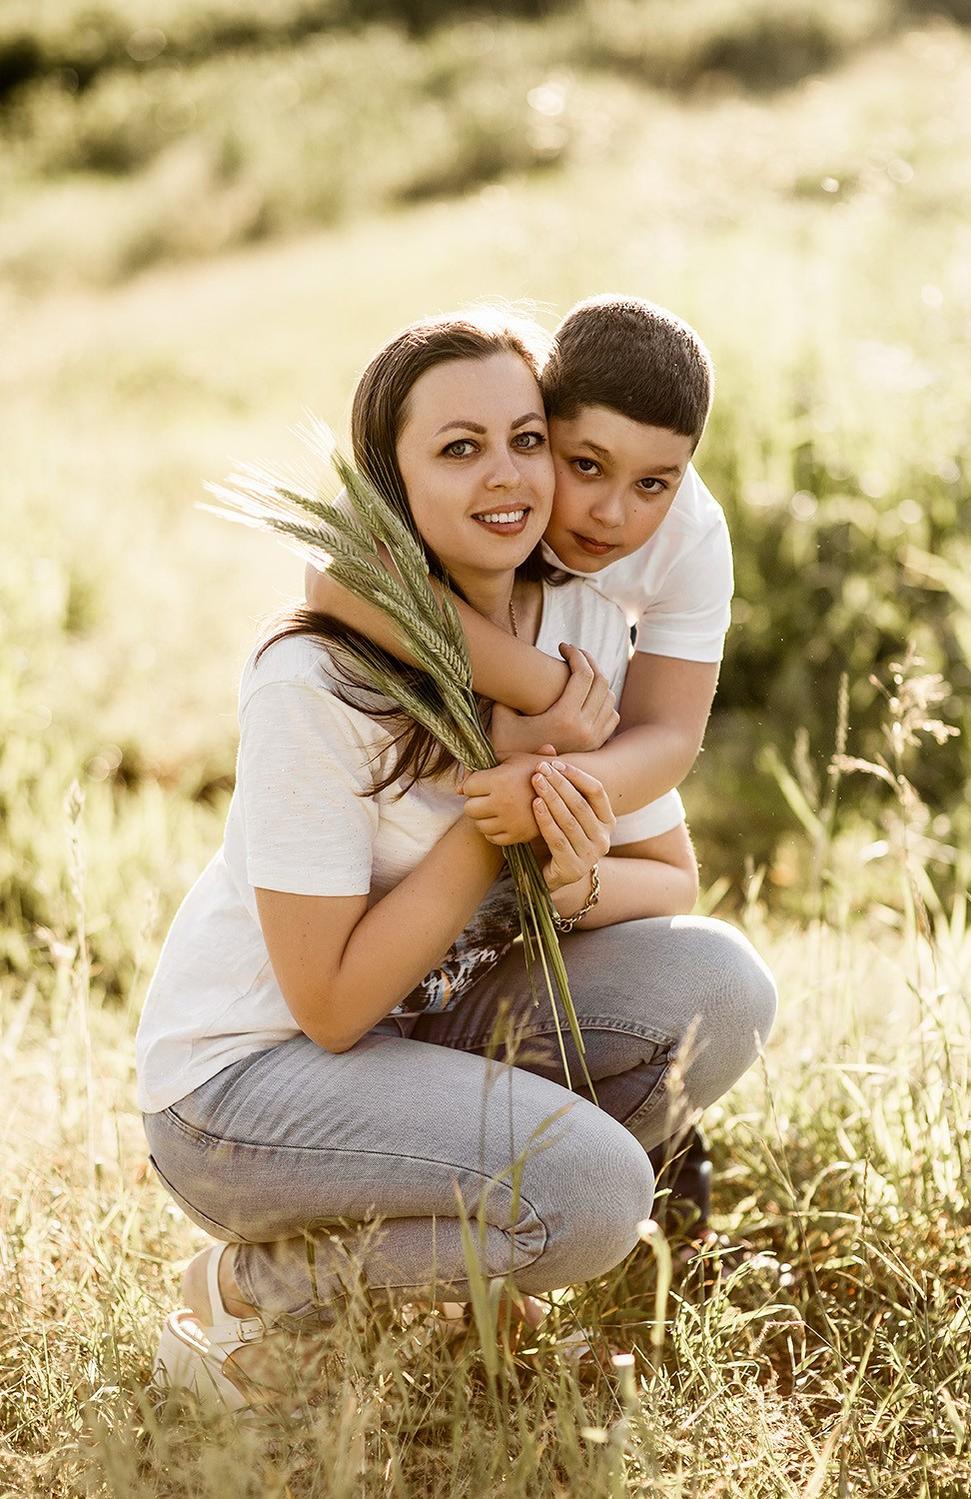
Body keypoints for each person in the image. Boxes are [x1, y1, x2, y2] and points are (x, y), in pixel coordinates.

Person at [137, 309, 776, 1412]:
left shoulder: (581, 619)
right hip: (249, 1082)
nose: (508, 476)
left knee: (722, 982)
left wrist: (571, 864)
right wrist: (493, 820)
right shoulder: (316, 683)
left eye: (527, 441)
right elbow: (330, 1008)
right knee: (590, 1195)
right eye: (458, 447)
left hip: (432, 1024)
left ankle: (463, 1248)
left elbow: (666, 871)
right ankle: (249, 1285)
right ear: (391, 480)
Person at [306, 295, 730, 1226]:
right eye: (586, 465)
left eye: (656, 483)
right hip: (525, 674)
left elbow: (668, 733)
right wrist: (540, 687)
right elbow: (337, 575)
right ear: (537, 415)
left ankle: (627, 1145)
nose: (616, 513)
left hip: (577, 710)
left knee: (625, 893)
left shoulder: (690, 540)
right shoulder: (479, 470)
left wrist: (553, 790)